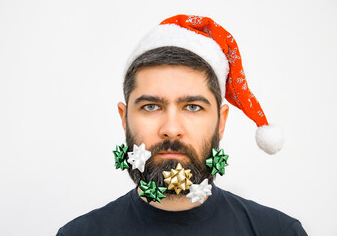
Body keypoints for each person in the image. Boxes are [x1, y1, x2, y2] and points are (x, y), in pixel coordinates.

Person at [56, 14, 307, 236]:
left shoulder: (279, 231)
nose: (172, 128)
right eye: (151, 106)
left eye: (193, 107)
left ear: (221, 122)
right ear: (124, 118)